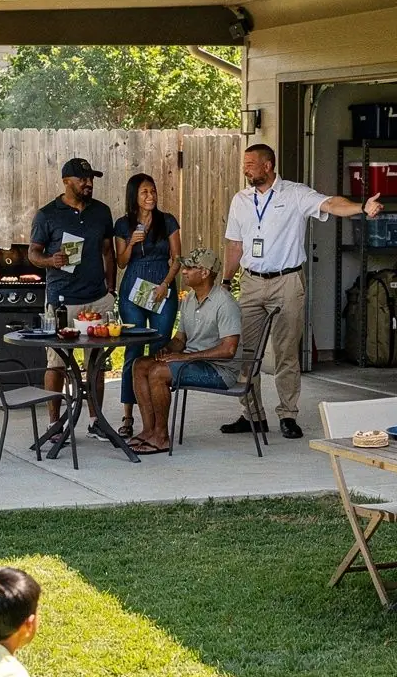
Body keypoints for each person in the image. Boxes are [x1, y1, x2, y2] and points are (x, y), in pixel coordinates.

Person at [221, 143, 382, 441]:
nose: (246, 169)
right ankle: (252, 414)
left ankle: (287, 415)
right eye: (245, 164)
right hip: (252, 282)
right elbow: (234, 245)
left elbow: (331, 204)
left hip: (287, 281)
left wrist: (361, 207)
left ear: (268, 165)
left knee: (286, 352)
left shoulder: (294, 193)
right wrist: (226, 282)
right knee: (246, 351)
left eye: (251, 163)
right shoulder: (240, 200)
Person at [28, 158, 116, 438]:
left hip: (97, 298)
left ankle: (96, 420)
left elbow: (108, 252)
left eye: (91, 178)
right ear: (66, 181)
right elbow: (33, 254)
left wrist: (110, 289)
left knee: (97, 363)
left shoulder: (102, 212)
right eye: (82, 179)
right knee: (56, 363)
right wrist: (51, 260)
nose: (88, 183)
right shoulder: (47, 215)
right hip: (62, 300)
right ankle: (54, 424)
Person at [129, 249, 241, 454]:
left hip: (219, 370)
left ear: (205, 273)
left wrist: (185, 357)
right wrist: (165, 351)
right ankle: (148, 431)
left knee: (158, 372)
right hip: (194, 362)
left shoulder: (225, 303)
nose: (184, 271)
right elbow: (180, 339)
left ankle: (161, 437)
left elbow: (229, 350)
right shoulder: (189, 298)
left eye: (190, 268)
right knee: (141, 365)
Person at [113, 173, 181, 439]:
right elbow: (120, 262)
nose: (150, 196)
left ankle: (155, 419)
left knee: (159, 349)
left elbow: (177, 258)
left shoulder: (168, 221)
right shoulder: (123, 224)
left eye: (153, 191)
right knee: (133, 350)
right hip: (133, 290)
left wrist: (165, 284)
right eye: (144, 192)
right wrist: (132, 242)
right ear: (134, 196)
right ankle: (128, 416)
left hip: (162, 288)